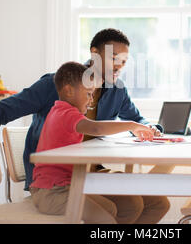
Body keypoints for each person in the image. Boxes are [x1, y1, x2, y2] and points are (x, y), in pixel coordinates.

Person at [0, 28, 170, 223]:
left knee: (155, 203)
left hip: (90, 172)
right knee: (129, 205)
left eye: (124, 60)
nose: (120, 66)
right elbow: (6, 107)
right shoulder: (58, 84)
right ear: (95, 53)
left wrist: (151, 128)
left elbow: (137, 118)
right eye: (114, 58)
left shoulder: (118, 90)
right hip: (54, 183)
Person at [30, 61, 155, 223]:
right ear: (68, 91)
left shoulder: (61, 111)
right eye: (88, 94)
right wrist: (131, 125)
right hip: (52, 192)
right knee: (107, 219)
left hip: (65, 187)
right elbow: (96, 129)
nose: (91, 101)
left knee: (110, 209)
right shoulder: (66, 113)